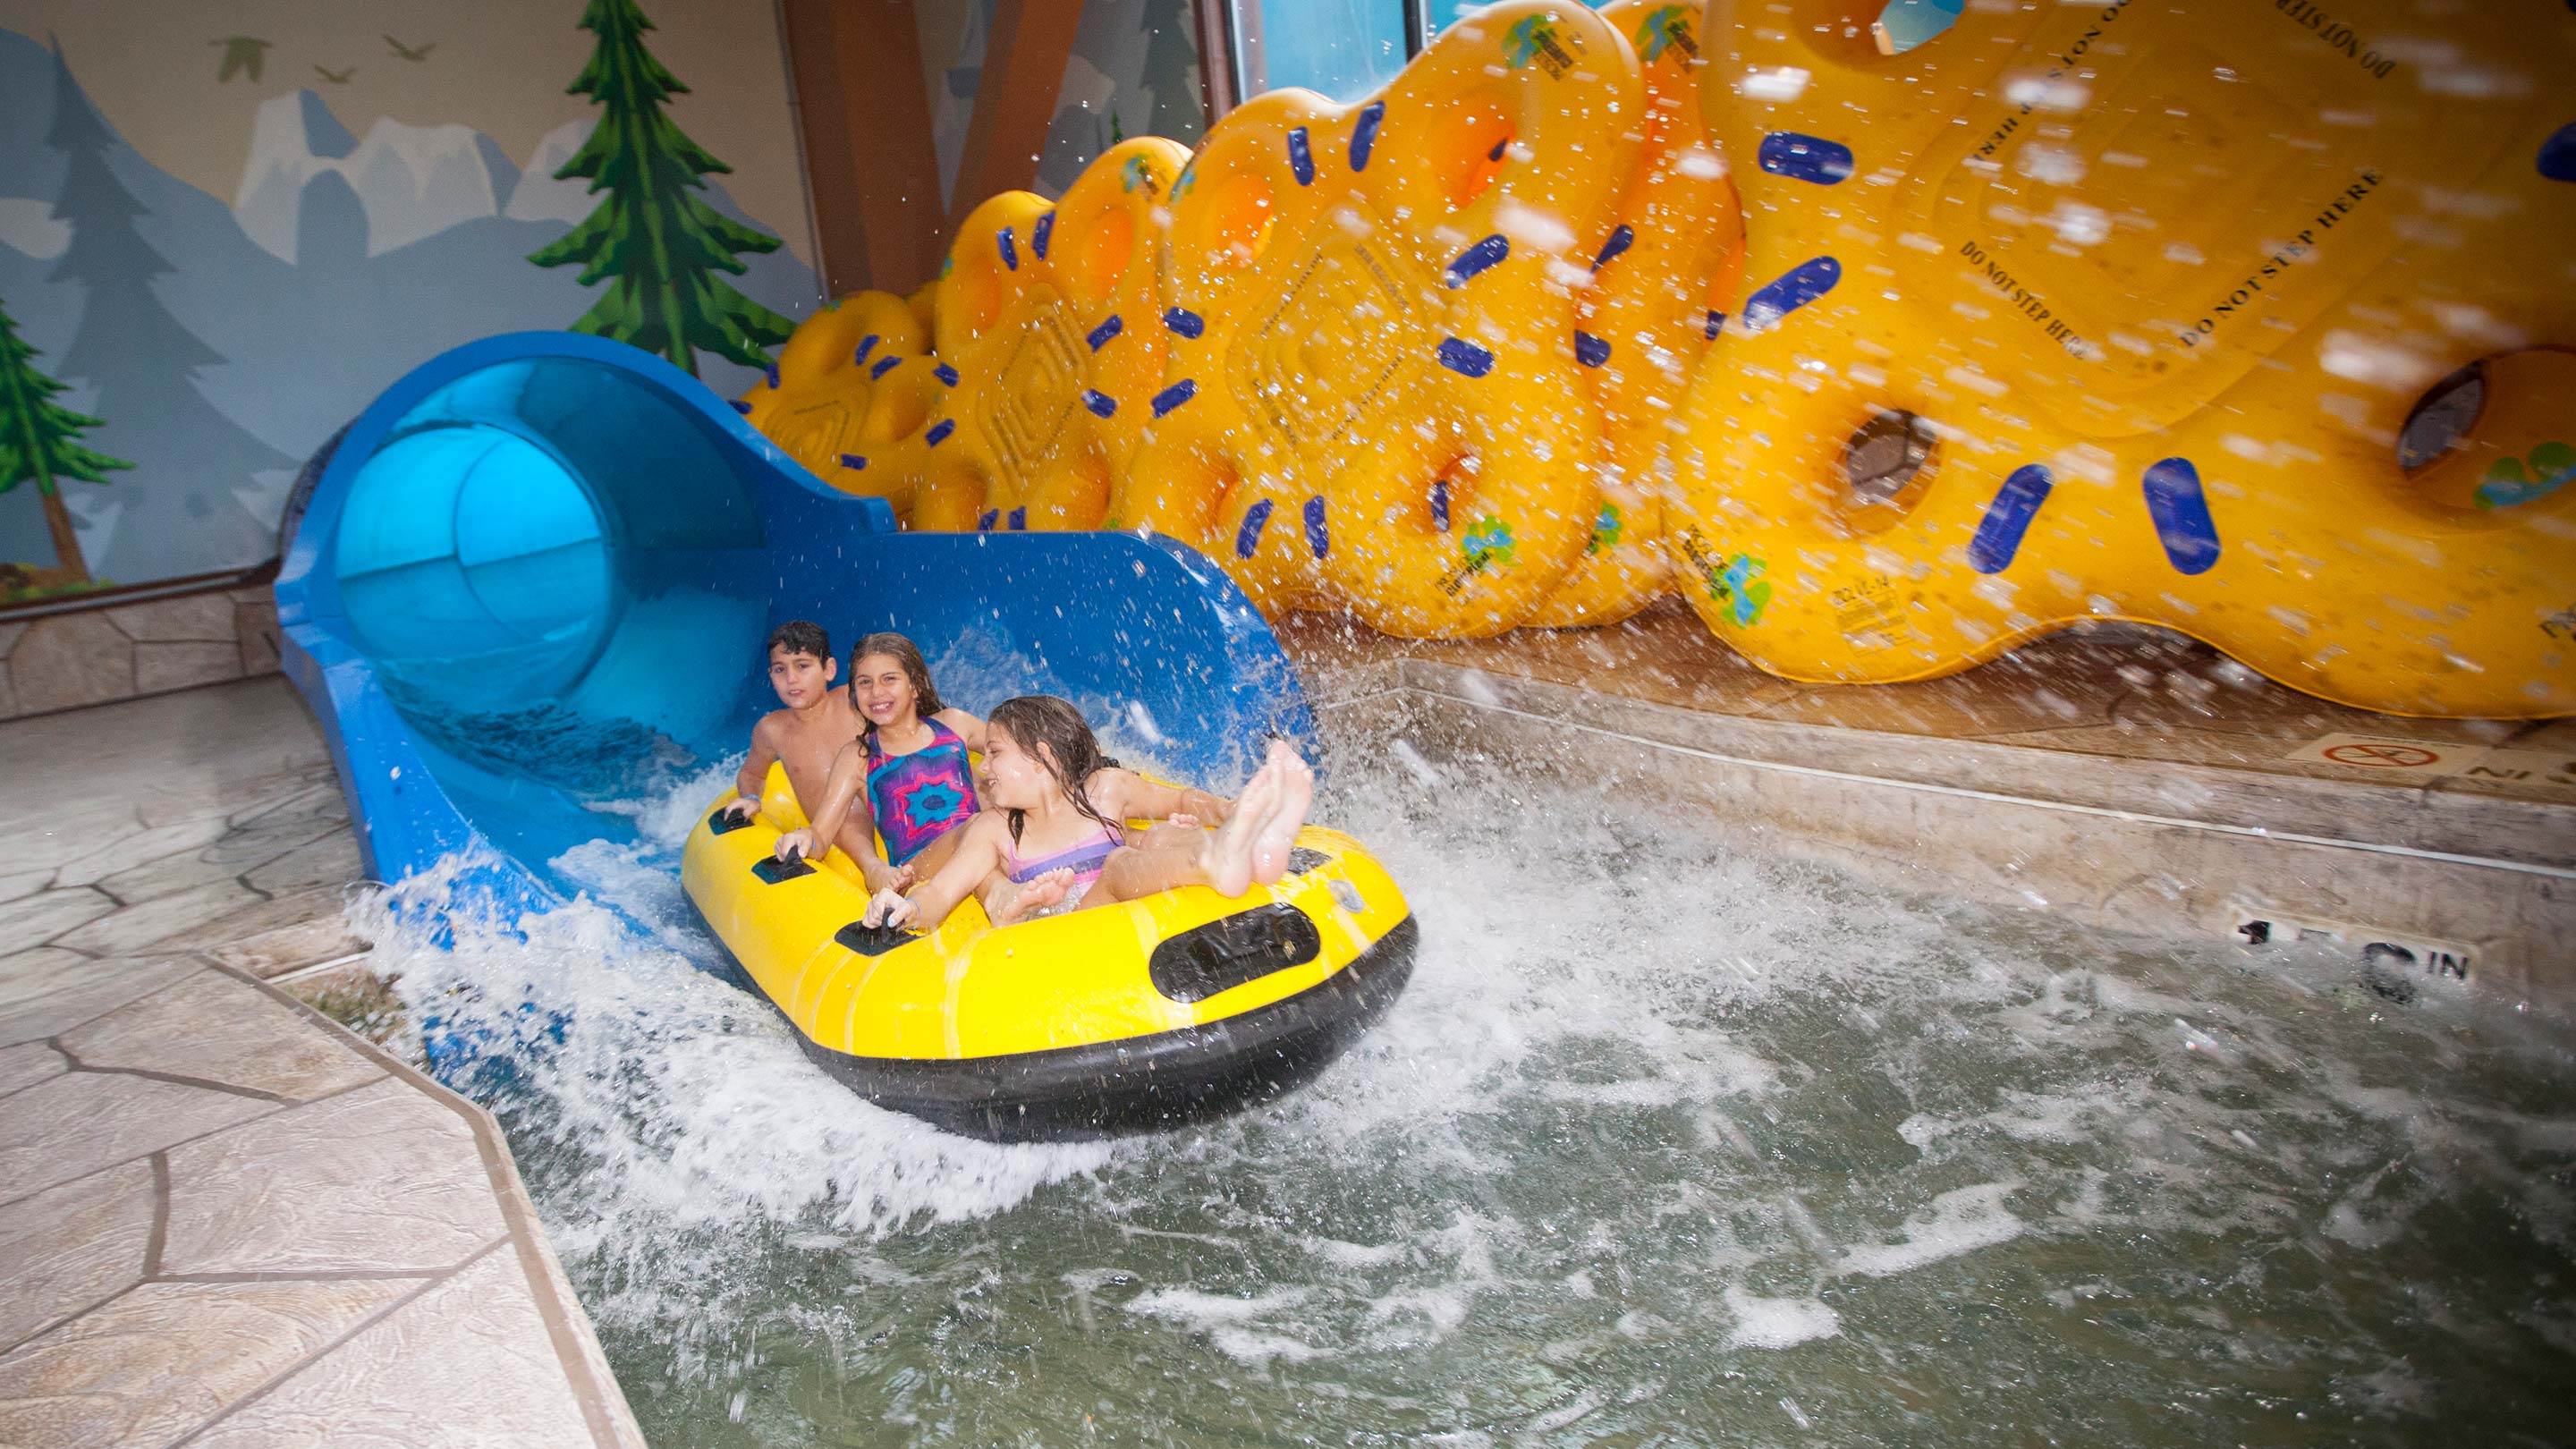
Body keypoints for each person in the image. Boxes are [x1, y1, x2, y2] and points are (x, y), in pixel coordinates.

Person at [860, 694, 1313, 932]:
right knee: (1117, 864)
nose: (986, 767)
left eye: (995, 753)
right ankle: (1215, 858)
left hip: (1127, 921)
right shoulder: (996, 831)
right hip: (1063, 937)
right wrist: (904, 909)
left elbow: (1176, 800)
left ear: (1041, 757)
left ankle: (1255, 845)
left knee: (1158, 837)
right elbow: (941, 894)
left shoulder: (1107, 790)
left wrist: (1225, 808)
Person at [775, 632, 987, 892]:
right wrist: (804, 838)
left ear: (916, 685)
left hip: (981, 845)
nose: (876, 692)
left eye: (889, 679)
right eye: (865, 683)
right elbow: (821, 834)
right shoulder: (858, 757)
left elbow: (1017, 754)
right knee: (982, 828)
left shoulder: (954, 724)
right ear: (854, 694)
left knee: (995, 821)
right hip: (917, 870)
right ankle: (1002, 896)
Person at [723, 621, 863, 841]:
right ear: (770, 675)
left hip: (888, 823)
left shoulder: (853, 701)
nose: (791, 679)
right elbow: (752, 773)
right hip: (831, 838)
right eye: (780, 669)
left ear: (829, 669)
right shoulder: (772, 729)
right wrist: (751, 797)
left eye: (802, 666)